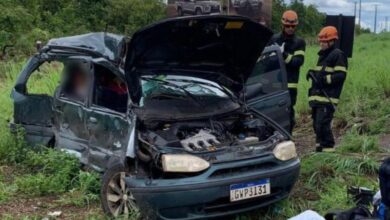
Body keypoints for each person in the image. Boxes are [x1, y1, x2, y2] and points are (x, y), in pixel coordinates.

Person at [307, 26, 348, 152]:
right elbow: (322, 73)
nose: (322, 44)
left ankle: (328, 151)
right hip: (317, 98)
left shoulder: (338, 55)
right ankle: (319, 150)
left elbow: (341, 75)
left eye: (324, 41)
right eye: (321, 41)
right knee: (316, 126)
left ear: (332, 41)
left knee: (323, 125)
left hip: (327, 98)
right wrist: (312, 73)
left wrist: (324, 80)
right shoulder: (323, 56)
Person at [268, 10, 306, 133]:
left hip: (290, 85)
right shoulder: (274, 39)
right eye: (288, 26)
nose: (290, 28)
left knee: (288, 113)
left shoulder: (299, 42)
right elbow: (267, 62)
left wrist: (283, 54)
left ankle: (288, 137)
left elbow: (298, 62)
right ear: (283, 24)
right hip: (275, 82)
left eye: (293, 26)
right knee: (273, 113)